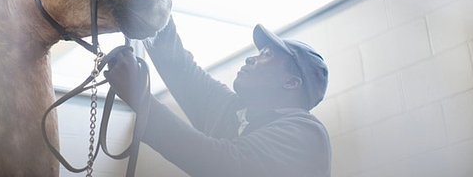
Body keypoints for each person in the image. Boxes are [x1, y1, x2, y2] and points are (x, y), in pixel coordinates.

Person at [105, 17, 332, 177]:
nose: (250, 59)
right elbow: (178, 66)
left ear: (291, 83)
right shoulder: (234, 111)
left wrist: (141, 98)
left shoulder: (306, 132)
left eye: (266, 55)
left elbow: (221, 164)